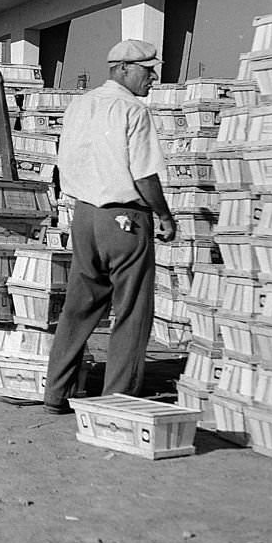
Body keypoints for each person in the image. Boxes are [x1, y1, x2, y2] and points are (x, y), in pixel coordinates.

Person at [43, 39, 176, 415]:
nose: (153, 77)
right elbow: (145, 175)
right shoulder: (132, 110)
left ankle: (57, 392)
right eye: (147, 70)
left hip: (84, 215)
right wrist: (164, 216)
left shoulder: (80, 105)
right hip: (125, 219)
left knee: (80, 306)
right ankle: (119, 399)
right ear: (122, 69)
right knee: (132, 309)